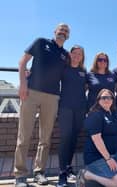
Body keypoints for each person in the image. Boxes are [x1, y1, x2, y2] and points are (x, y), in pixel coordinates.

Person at [14, 23, 70, 187]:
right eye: (60, 30)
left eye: (66, 31)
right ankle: (20, 175)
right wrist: (23, 84)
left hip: (52, 97)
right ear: (55, 31)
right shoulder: (41, 42)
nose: (63, 32)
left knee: (45, 138)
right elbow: (22, 62)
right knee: (24, 135)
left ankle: (39, 172)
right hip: (31, 92)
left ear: (68, 36)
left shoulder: (65, 55)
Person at [76, 89, 117, 187]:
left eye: (110, 97)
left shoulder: (115, 113)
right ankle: (86, 175)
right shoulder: (95, 115)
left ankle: (114, 171)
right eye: (104, 98)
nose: (107, 100)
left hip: (115, 153)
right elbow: (97, 139)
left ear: (113, 100)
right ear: (98, 100)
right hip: (97, 156)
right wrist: (108, 159)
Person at [56, 45, 87, 187]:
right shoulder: (63, 68)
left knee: (74, 137)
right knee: (65, 137)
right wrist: (28, 75)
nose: (76, 56)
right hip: (65, 107)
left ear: (82, 57)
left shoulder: (83, 71)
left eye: (79, 54)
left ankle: (68, 167)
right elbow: (49, 77)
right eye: (74, 53)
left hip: (80, 109)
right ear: (70, 54)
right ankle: (62, 173)